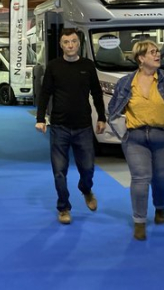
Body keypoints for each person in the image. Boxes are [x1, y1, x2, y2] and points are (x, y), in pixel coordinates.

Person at [107, 40, 164, 241]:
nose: (157, 55)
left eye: (157, 51)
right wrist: (122, 133)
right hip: (135, 139)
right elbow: (113, 108)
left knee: (160, 177)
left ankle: (160, 207)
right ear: (141, 58)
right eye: (152, 52)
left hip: (162, 136)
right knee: (140, 178)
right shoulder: (125, 82)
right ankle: (139, 221)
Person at [35, 28, 106, 225]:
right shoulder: (54, 66)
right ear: (61, 45)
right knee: (59, 171)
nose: (70, 45)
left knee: (88, 168)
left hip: (83, 126)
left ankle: (86, 189)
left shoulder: (88, 66)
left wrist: (101, 117)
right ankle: (64, 207)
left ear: (79, 43)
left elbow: (97, 93)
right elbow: (45, 94)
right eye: (66, 42)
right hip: (59, 127)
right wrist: (40, 118)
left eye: (73, 41)